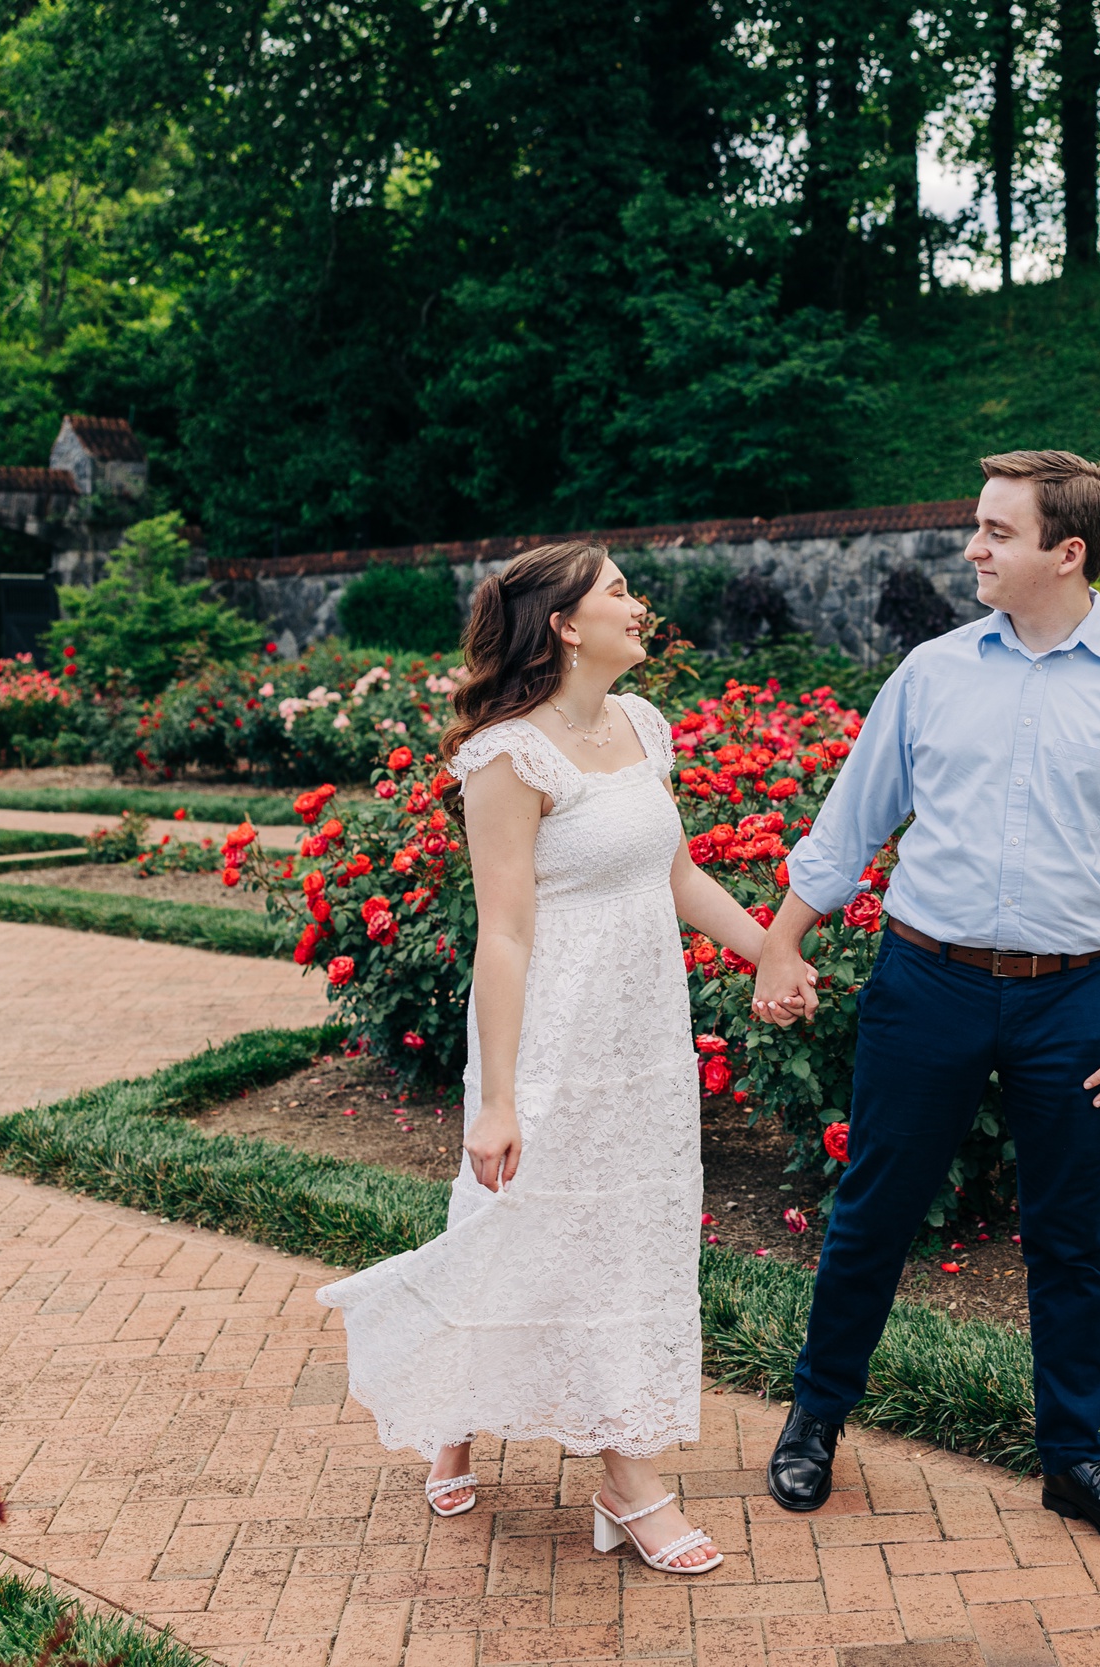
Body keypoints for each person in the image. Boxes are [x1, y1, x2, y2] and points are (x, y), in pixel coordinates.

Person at [747, 450, 1100, 1556]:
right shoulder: (930, 673)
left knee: (1071, 1240)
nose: (973, 547)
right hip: (928, 983)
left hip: (1079, 1002)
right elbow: (849, 823)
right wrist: (780, 941)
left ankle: (1076, 1461)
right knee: (872, 1212)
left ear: (1067, 551)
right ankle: (817, 1414)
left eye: (996, 532)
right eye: (977, 525)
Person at [317, 542, 809, 1576]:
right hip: (549, 1034)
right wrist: (496, 1098)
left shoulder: (643, 726)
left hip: (643, 1036)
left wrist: (768, 946)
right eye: (620, 592)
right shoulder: (507, 755)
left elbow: (674, 870)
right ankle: (622, 1479)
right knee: (519, 1221)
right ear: (565, 626)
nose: (642, 606)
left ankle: (520, 1427)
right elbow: (503, 933)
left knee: (629, 1234)